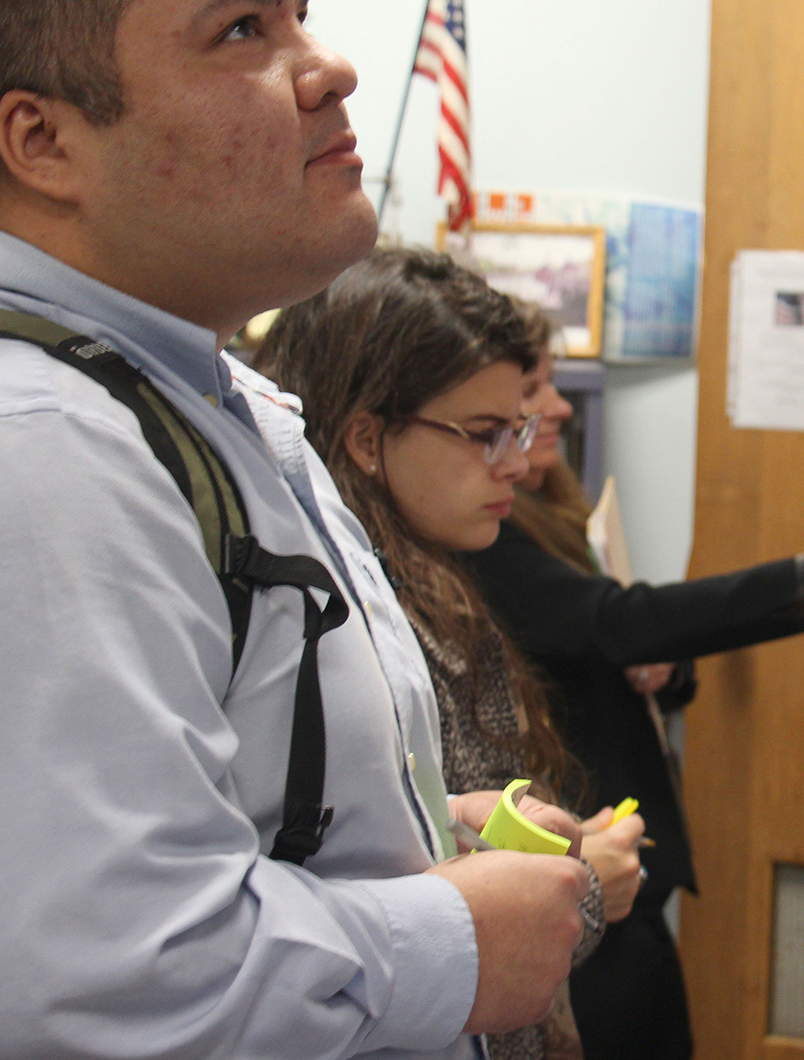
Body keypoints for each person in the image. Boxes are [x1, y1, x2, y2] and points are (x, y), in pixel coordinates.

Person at [0, 0, 589, 1057]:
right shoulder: (26, 458)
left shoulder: (187, 397)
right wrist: (448, 942)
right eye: (241, 30)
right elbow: (114, 989)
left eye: (300, 13)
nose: (329, 68)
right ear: (43, 140)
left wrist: (424, 838)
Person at [460, 310, 804, 1060]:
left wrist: (669, 667)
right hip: (587, 874)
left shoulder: (552, 514)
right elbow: (613, 622)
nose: (555, 408)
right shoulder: (489, 540)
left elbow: (623, 649)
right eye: (534, 390)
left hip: (626, 862)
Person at [257, 248, 649, 1060]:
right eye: (483, 435)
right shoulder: (368, 613)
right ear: (367, 437)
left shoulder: (427, 576)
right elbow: (435, 920)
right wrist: (583, 890)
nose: (514, 462)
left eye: (520, 429)